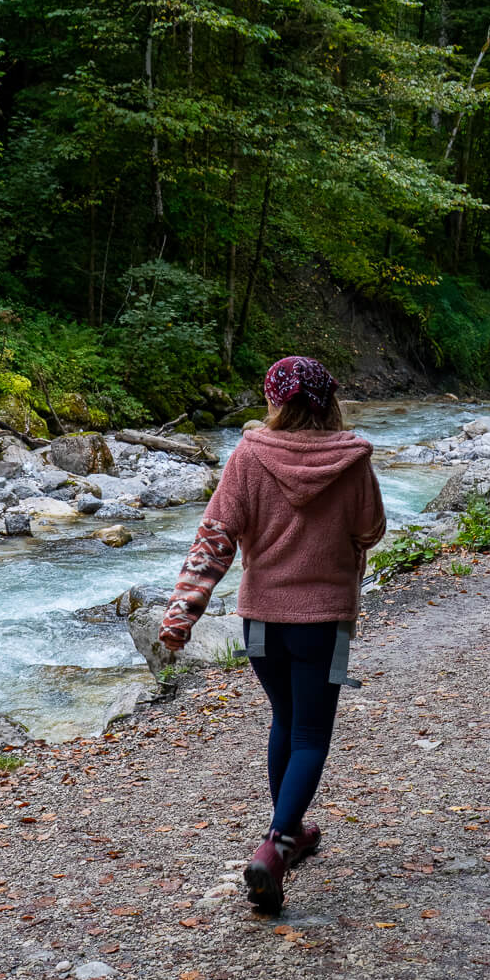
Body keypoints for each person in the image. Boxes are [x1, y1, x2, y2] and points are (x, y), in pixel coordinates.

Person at [158, 356, 386, 913]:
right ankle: (278, 845)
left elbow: (215, 539)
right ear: (327, 400)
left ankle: (289, 828)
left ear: (275, 400)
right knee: (310, 734)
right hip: (322, 620)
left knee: (285, 719)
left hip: (259, 620)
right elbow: (371, 529)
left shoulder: (249, 455)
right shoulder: (352, 460)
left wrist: (182, 613)